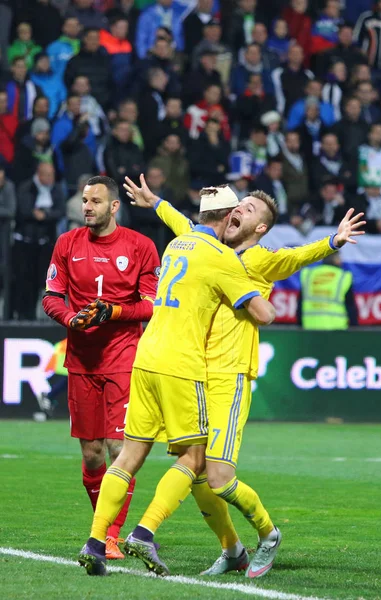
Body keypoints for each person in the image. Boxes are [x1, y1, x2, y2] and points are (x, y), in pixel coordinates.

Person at [119, 177, 365, 577]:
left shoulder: (259, 259)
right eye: (238, 205)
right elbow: (185, 225)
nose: (237, 211)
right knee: (196, 471)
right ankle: (232, 549)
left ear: (260, 229)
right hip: (193, 373)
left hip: (228, 376)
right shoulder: (210, 249)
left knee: (218, 476)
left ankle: (268, 535)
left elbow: (296, 256)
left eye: (248, 210)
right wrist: (156, 203)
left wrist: (332, 242)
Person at [78, 182, 276, 576]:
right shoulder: (222, 257)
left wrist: (157, 203)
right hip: (181, 365)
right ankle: (144, 535)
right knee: (195, 457)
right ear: (228, 216)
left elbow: (179, 230)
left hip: (145, 357)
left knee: (129, 457)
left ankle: (96, 542)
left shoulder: (177, 246)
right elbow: (264, 314)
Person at [42, 175, 160, 560]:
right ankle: (103, 527)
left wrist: (114, 311)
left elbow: (151, 304)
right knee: (92, 453)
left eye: (95, 201)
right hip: (81, 360)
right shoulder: (67, 244)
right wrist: (71, 319)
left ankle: (110, 536)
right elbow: (52, 296)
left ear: (114, 207)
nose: (87, 207)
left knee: (117, 447)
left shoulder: (140, 247)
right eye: (84, 200)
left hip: (124, 358)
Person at [12, 163, 64, 320]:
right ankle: (20, 315)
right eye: (47, 175)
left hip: (45, 243)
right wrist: (40, 214)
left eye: (52, 175)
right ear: (39, 174)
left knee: (40, 281)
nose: (50, 178)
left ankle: (36, 316)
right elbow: (23, 209)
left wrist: (44, 215)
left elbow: (60, 211)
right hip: (25, 243)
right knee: (22, 280)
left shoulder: (56, 189)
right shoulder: (26, 187)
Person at [299, 253, 358, 329]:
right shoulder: (343, 276)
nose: (341, 261)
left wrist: (300, 327)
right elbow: (350, 306)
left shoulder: (309, 274)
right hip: (337, 329)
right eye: (339, 258)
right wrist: (354, 329)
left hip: (310, 328)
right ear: (334, 258)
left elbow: (300, 304)